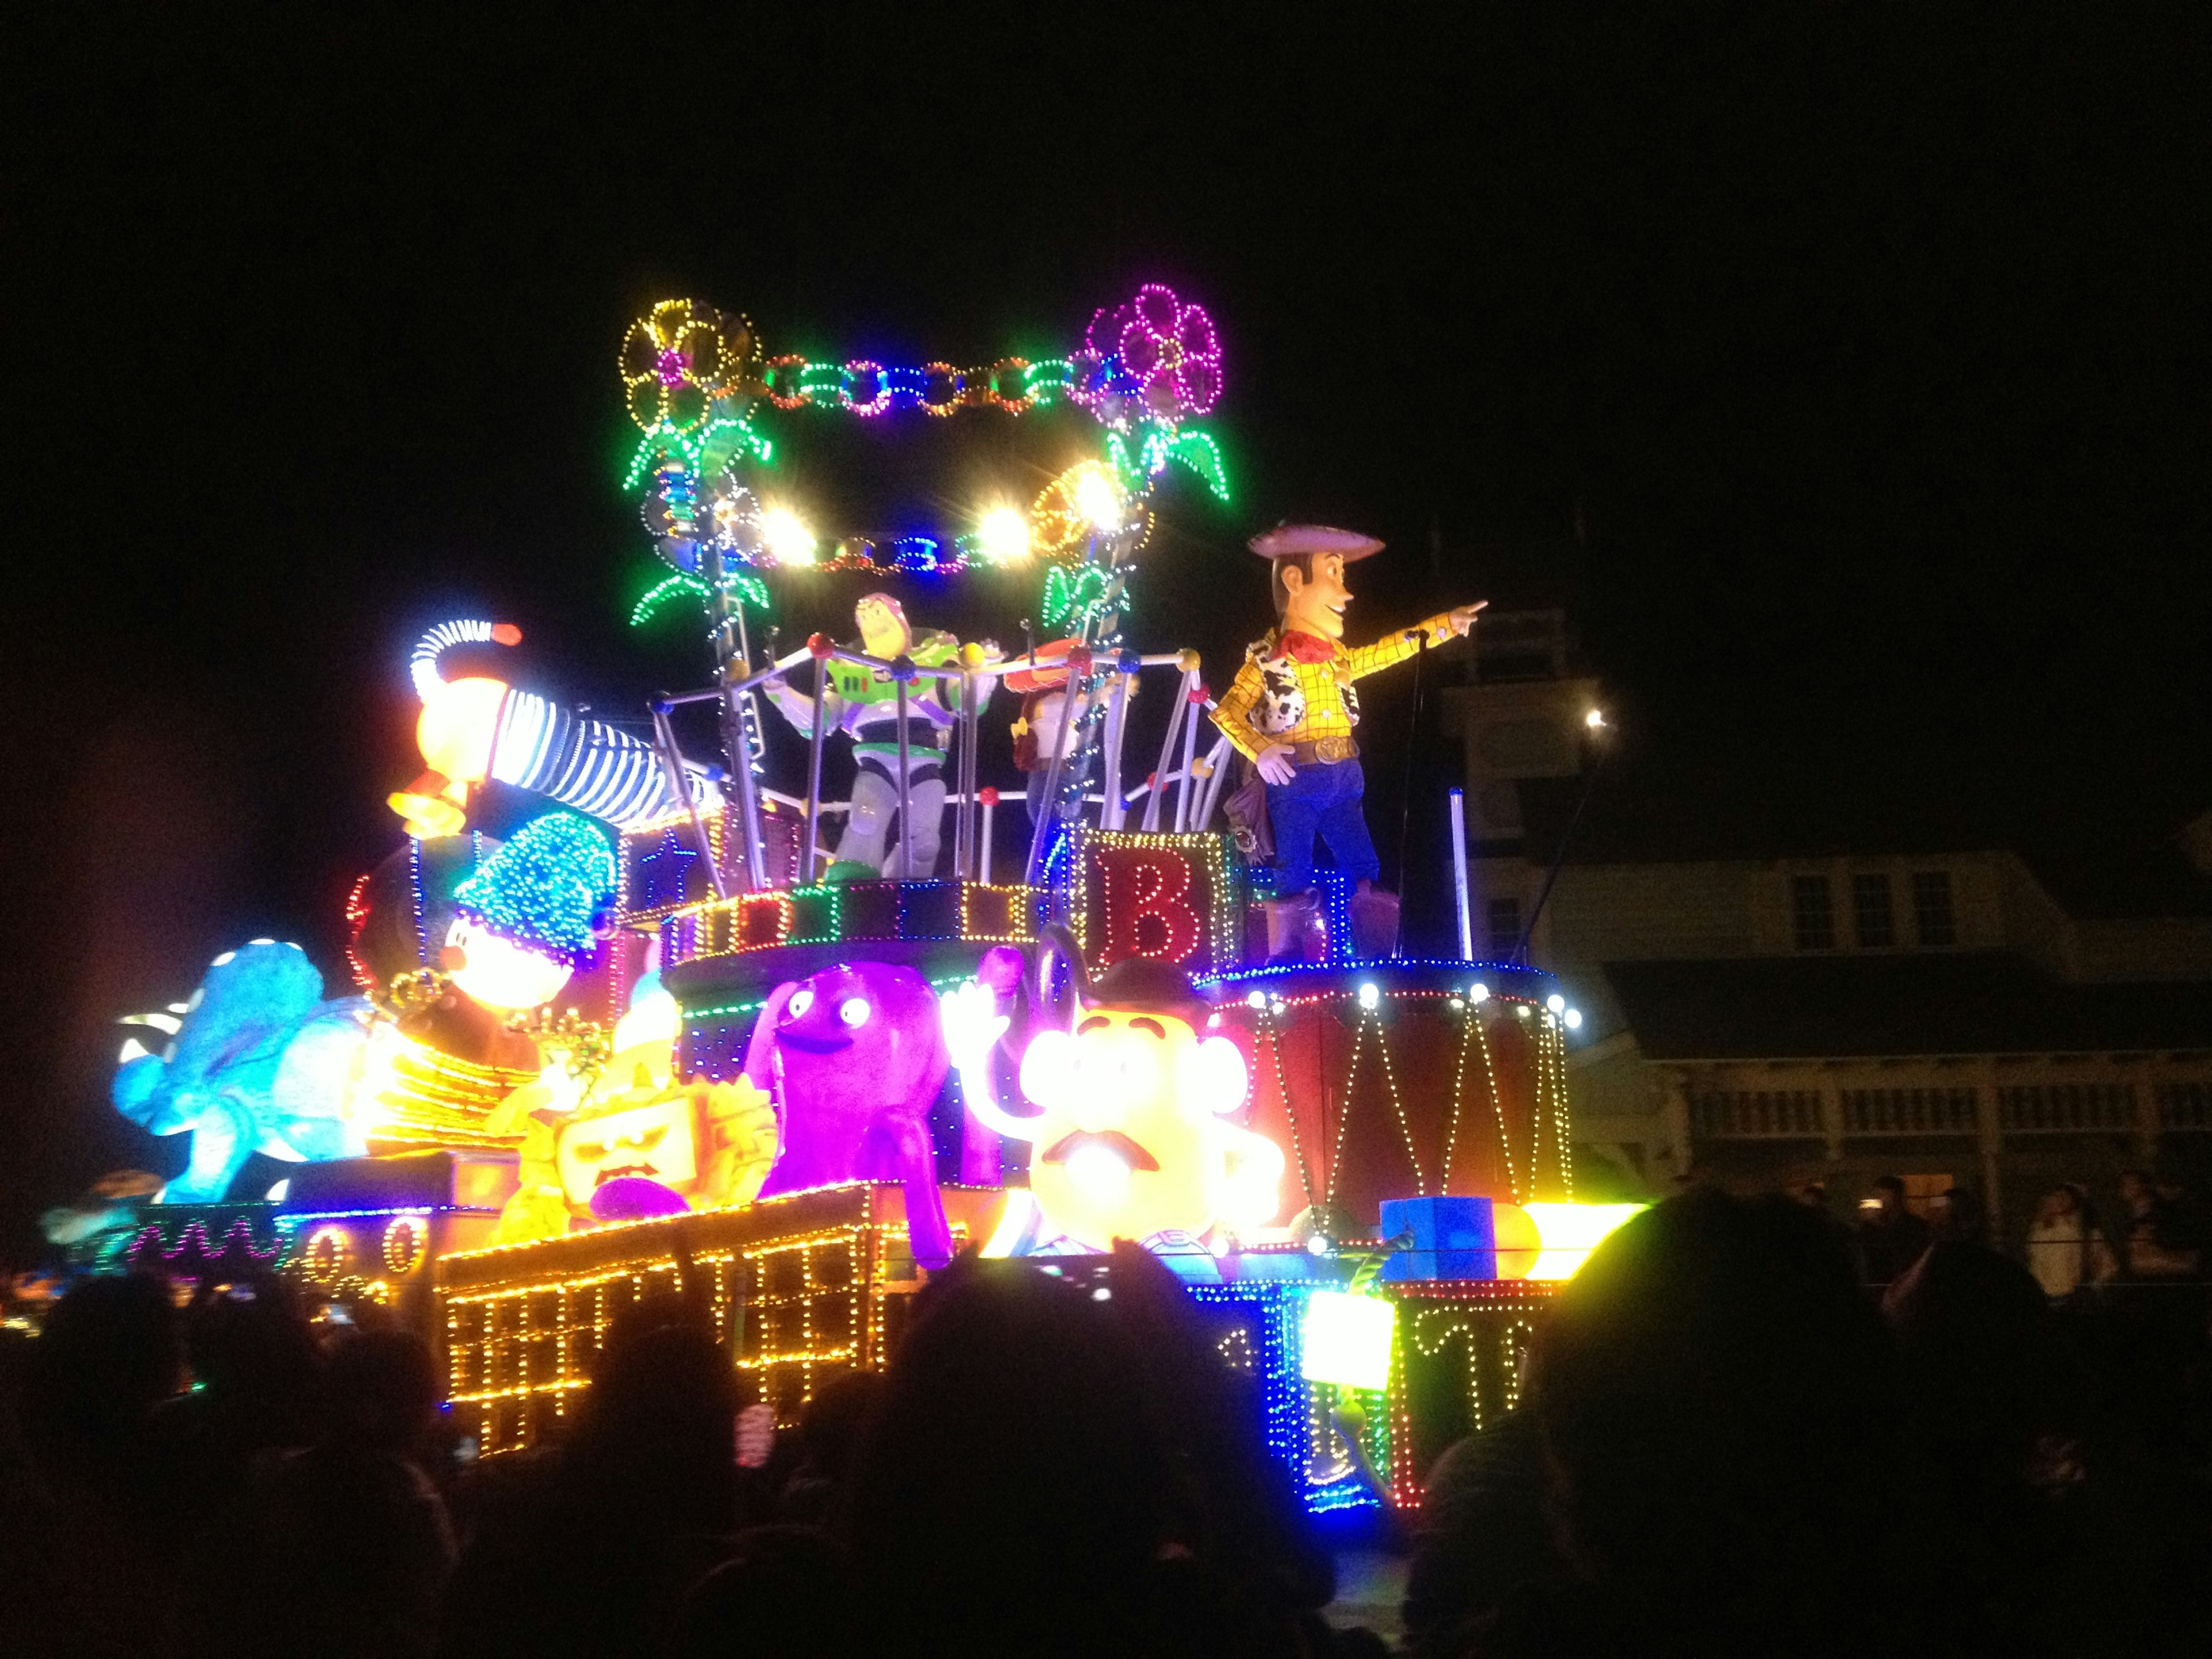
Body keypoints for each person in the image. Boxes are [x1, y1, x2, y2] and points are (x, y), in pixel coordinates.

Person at [1211, 524, 1483, 961]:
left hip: (1345, 780)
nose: (1347, 592)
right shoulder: (1264, 662)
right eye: (1333, 573)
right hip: (1295, 780)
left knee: (1364, 866)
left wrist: (1444, 626)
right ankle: (1288, 955)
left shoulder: (1340, 659)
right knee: (1293, 868)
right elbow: (1226, 712)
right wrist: (1259, 750)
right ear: (1295, 582)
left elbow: (1390, 650)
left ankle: (1376, 952)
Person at [253, 1329, 456, 1659]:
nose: (434, 1416)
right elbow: (438, 1616)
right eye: (425, 1401)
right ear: (379, 1409)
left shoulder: (273, 1477)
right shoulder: (412, 1504)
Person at [763, 592, 991, 879]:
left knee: (925, 841)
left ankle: (909, 887)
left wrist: (985, 673)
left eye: (880, 613)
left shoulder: (936, 668)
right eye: (865, 617)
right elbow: (819, 720)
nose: (872, 620)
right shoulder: (852, 675)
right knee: (864, 820)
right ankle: (850, 885)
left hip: (925, 762)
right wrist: (781, 693)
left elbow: (966, 701)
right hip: (876, 761)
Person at [2024, 1183, 2116, 1301]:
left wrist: (2093, 1288)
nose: (2056, 1201)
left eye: (2062, 1198)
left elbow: (2107, 1266)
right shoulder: (2038, 1231)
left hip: (2069, 1296)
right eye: (2054, 1196)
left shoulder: (2082, 1232)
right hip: (2043, 1296)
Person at [1855, 1173, 1931, 1285]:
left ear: (1897, 1196)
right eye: (1878, 1196)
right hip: (1876, 1283)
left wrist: (1879, 1225)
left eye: (1884, 1195)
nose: (1881, 1200)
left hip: (1905, 1283)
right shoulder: (1869, 1226)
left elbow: (1905, 1254)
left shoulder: (1915, 1225)